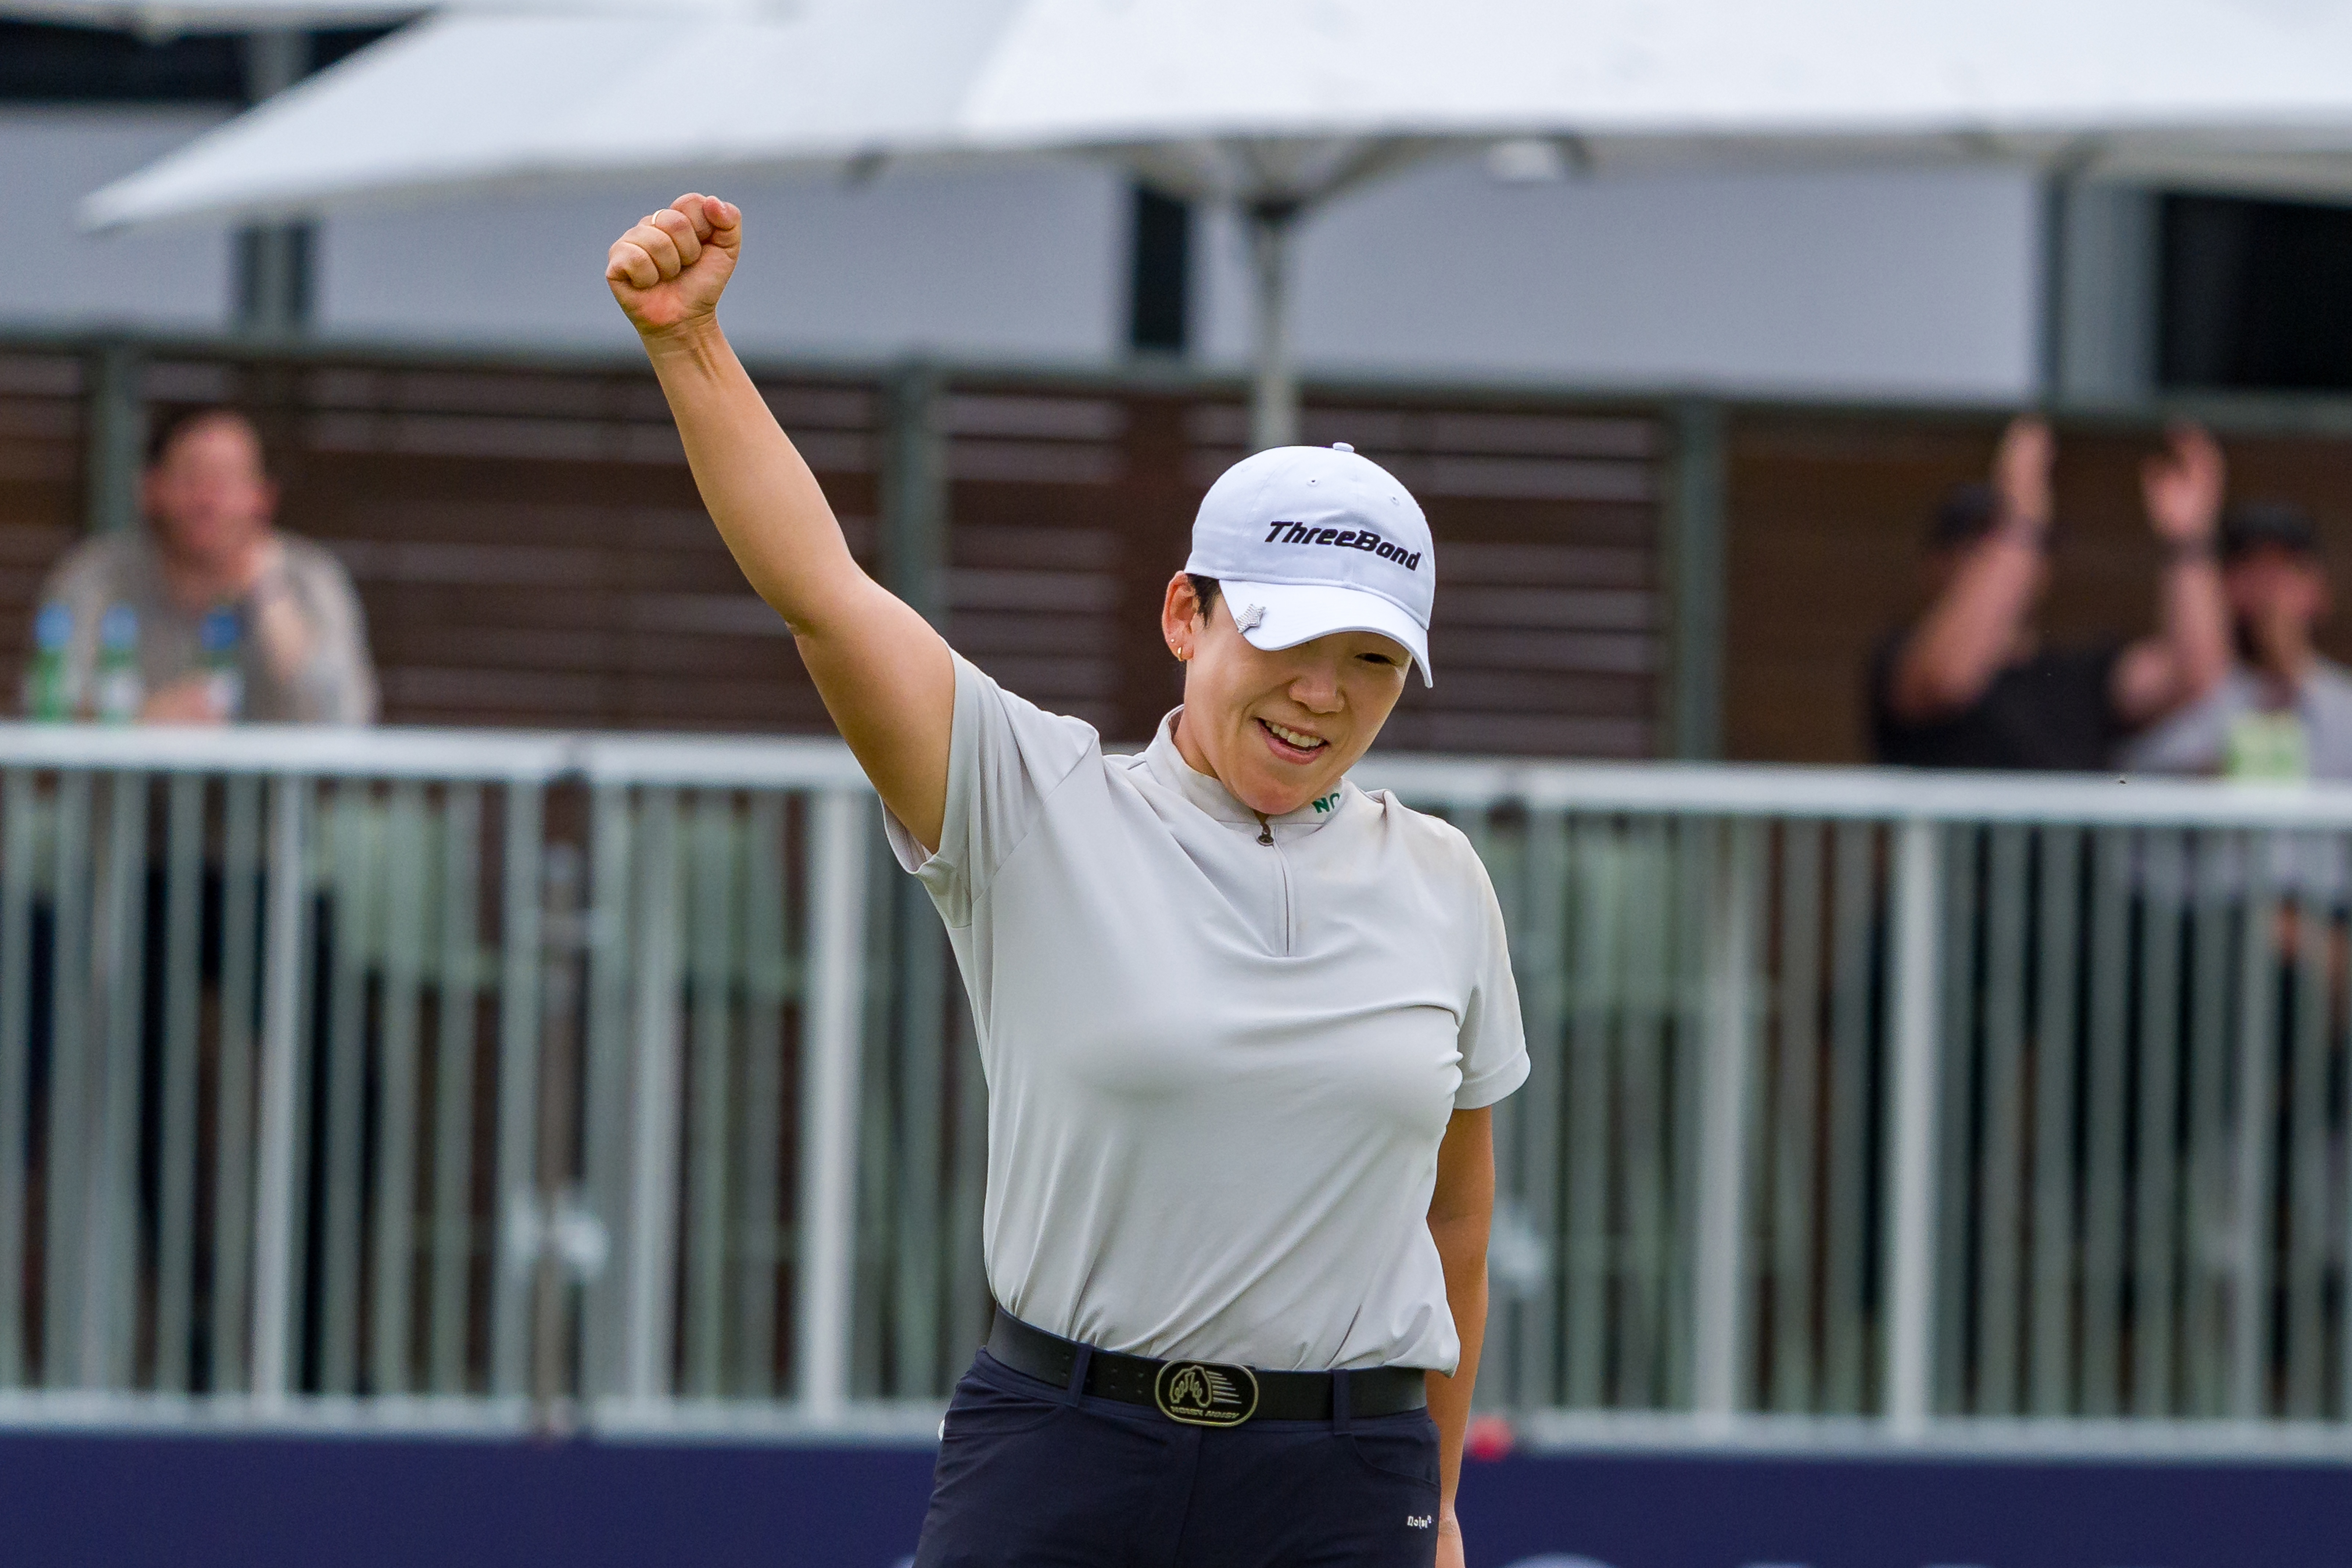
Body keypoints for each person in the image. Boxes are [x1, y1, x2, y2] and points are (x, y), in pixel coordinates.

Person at [608, 194, 1525, 1568]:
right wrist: (690, 348)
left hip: (1345, 1477)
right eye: (1286, 637)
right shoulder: (1028, 796)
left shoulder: (1442, 878)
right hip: (1066, 1444)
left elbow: (1453, 1218)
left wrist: (1439, 1501)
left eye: (1373, 659)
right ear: (1183, 614)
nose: (1323, 694)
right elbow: (823, 593)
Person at [1871, 416, 2229, 769]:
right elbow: (1946, 680)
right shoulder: (1901, 658)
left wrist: (2188, 544)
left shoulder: (2078, 676)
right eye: (1982, 546)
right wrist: (2021, 523)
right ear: (1936, 564)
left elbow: (2194, 675)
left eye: (2032, 548)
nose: (2009, 563)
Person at [27, 406, 377, 724]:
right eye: (192, 477)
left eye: (227, 480)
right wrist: (140, 722)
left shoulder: (309, 577)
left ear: (263, 498)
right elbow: (46, 708)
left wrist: (272, 597)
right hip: (126, 790)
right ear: (152, 489)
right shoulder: (97, 576)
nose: (208, 500)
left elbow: (346, 718)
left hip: (268, 793)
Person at [2120, 502, 2352, 780]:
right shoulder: (2190, 690)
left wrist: (2287, 674)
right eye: (2250, 568)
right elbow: (2132, 773)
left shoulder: (2344, 703)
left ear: (2321, 591)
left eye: (2287, 569)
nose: (2269, 587)